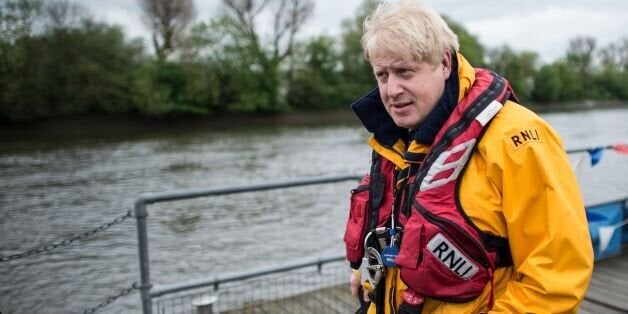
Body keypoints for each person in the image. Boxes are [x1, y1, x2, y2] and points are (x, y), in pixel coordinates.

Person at [342, 1, 594, 313]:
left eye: (404, 71)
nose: (391, 89)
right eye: (382, 75)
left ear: (445, 63)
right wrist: (365, 273)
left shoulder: (518, 138)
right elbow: (398, 228)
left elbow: (557, 278)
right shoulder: (396, 140)